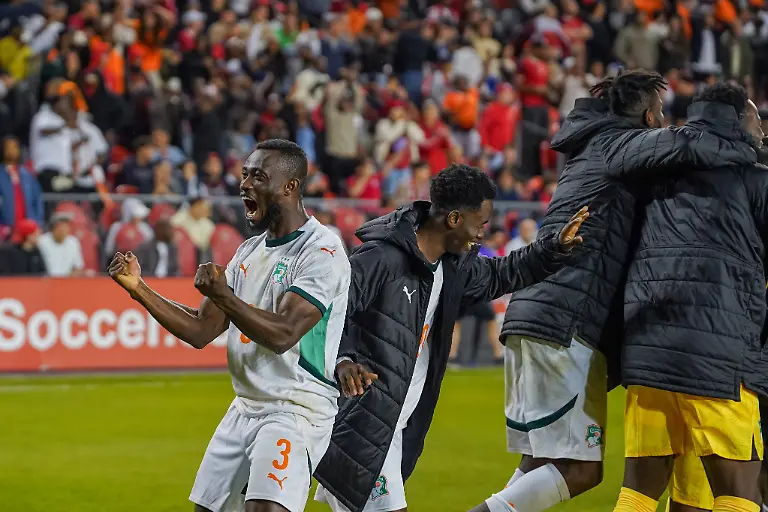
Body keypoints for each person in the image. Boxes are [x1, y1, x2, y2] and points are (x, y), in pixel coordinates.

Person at [469, 71, 759, 512]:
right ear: (645, 116)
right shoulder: (619, 144)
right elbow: (689, 144)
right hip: (566, 320)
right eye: (659, 115)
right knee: (581, 471)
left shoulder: (592, 148)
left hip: (538, 312)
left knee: (540, 464)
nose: (663, 125)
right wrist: (747, 144)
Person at [314, 163, 590, 512]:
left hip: (394, 426)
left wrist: (553, 248)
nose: (482, 235)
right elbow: (329, 310)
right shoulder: (381, 257)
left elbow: (503, 273)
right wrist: (343, 360)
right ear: (455, 220)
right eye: (480, 224)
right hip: (364, 423)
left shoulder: (452, 267)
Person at [107, 139, 351, 512]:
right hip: (245, 407)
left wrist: (225, 296)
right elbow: (201, 330)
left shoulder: (322, 250)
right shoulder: (249, 251)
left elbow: (284, 333)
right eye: (245, 175)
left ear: (290, 186)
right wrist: (139, 289)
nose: (245, 185)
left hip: (294, 408)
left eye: (259, 176)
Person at [613, 84, 768, 512]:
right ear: (735, 121)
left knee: (640, 493)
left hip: (648, 351)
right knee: (738, 493)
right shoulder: (754, 180)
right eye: (756, 120)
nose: (761, 131)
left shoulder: (652, 173)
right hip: (719, 357)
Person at [38, 211, 85, 277]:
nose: (64, 229)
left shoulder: (73, 242)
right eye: (61, 225)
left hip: (66, 282)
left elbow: (78, 267)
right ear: (53, 228)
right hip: (45, 281)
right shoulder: (42, 241)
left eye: (67, 225)